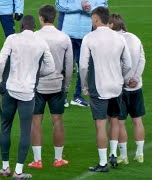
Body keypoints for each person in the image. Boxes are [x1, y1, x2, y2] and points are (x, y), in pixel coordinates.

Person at [0, 15, 55, 179]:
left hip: (10, 89)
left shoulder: (12, 38)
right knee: (25, 131)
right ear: (34, 27)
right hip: (28, 93)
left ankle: (5, 167)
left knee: (5, 127)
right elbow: (51, 67)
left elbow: (1, 62)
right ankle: (18, 171)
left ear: (21, 26)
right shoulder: (41, 42)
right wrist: (35, 72)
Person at [79, 7, 132, 172]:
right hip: (116, 86)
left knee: (100, 125)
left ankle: (103, 163)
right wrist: (121, 78)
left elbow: (82, 66)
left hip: (98, 86)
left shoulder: (89, 38)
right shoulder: (119, 38)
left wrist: (85, 86)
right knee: (115, 119)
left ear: (95, 19)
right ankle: (113, 155)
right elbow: (128, 64)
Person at [28, 5, 73, 169]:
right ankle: (58, 159)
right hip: (57, 84)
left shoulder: (34, 36)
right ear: (54, 17)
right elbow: (69, 66)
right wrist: (66, 86)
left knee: (36, 121)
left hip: (37, 85)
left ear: (41, 17)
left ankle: (37, 160)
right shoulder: (63, 37)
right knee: (58, 121)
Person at [108, 13, 146, 164]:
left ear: (111, 25)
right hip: (136, 86)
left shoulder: (113, 41)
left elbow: (117, 64)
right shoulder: (135, 38)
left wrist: (125, 81)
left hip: (120, 88)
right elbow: (142, 59)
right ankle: (140, 153)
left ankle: (123, 156)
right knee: (138, 120)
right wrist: (135, 78)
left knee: (120, 122)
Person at [56, 0, 108, 107]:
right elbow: (59, 5)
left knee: (84, 66)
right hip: (67, 33)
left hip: (86, 34)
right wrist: (80, 6)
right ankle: (63, 95)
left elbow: (104, 7)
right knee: (66, 66)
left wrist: (90, 9)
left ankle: (77, 96)